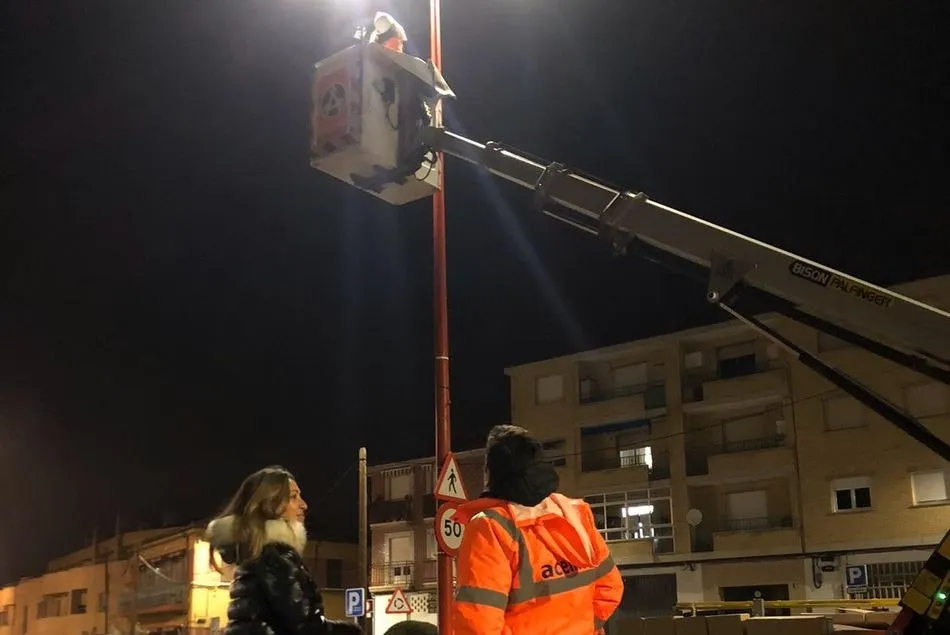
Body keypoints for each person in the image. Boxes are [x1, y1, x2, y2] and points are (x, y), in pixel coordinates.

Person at [453, 425, 624, 635]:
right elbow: (610, 588)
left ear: (490, 472)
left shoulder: (490, 527)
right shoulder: (574, 514)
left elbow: (478, 625)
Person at [207, 466, 360, 635]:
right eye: (293, 497)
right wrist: (351, 632)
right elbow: (305, 628)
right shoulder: (274, 555)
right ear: (270, 504)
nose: (304, 505)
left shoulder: (258, 553)